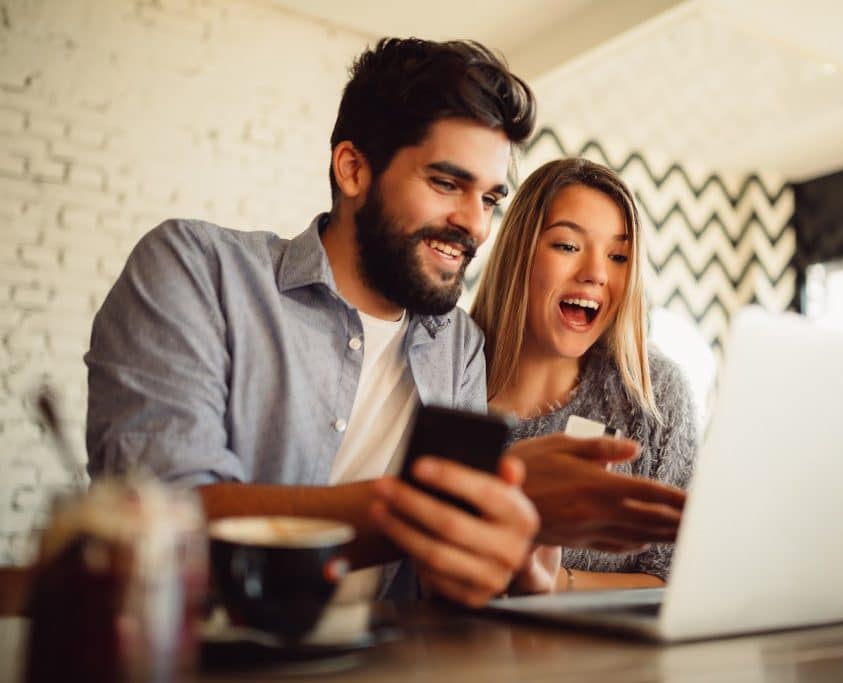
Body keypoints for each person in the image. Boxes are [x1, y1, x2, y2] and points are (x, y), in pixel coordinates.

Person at [85, 39, 685, 608]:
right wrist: (446, 505)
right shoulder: (198, 271)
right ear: (352, 169)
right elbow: (163, 519)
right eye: (446, 183)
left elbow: (438, 584)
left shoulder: (459, 349)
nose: (473, 225)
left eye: (489, 199)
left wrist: (513, 565)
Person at [471, 158, 698, 594]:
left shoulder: (655, 395)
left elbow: (679, 577)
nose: (596, 273)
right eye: (568, 247)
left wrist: (558, 583)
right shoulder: (443, 369)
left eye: (618, 256)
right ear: (521, 255)